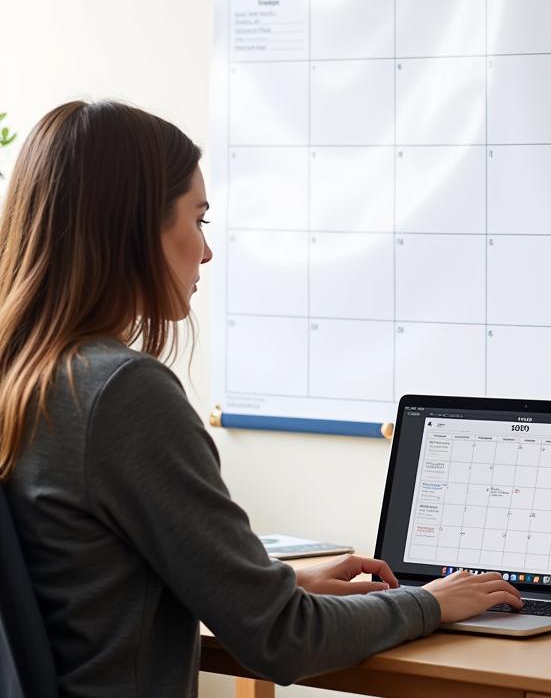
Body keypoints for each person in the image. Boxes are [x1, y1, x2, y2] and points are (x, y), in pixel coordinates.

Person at [0, 100, 521, 697]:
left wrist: (276, 586)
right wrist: (429, 602)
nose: (206, 251)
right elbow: (281, 640)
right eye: (198, 220)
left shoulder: (24, 376)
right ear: (136, 227)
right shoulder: (121, 394)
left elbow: (94, 583)